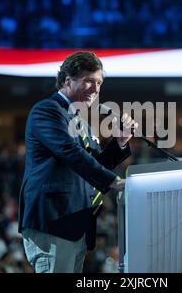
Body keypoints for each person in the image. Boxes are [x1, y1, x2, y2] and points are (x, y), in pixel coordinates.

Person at [18, 51, 137, 273]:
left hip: (74, 225)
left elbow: (95, 164)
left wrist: (120, 142)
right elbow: (70, 153)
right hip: (53, 222)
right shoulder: (46, 111)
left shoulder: (79, 121)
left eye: (99, 82)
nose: (96, 89)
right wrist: (113, 182)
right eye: (89, 81)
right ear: (67, 81)